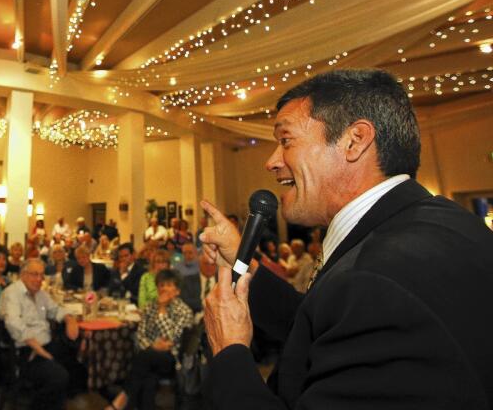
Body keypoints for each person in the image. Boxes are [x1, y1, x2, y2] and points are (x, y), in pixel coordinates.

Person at [199, 69, 493, 409]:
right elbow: (329, 321)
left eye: (286, 140)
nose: (272, 162)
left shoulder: (376, 279)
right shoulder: (444, 221)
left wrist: (229, 353)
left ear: (354, 140)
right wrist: (242, 258)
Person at [0, 258, 82, 410]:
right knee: (59, 376)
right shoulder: (12, 294)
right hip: (25, 352)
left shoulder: (40, 294)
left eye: (41, 275)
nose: (38, 279)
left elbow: (55, 309)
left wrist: (69, 319)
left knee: (77, 363)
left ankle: (57, 402)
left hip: (45, 345)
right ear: (23, 275)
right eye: (34, 274)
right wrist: (38, 349)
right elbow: (13, 324)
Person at [107, 269, 194, 410]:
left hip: (171, 359)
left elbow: (172, 339)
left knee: (144, 358)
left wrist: (162, 310)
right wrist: (152, 346)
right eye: (161, 285)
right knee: (148, 379)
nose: (164, 288)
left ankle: (122, 399)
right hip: (148, 356)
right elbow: (140, 336)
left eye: (168, 285)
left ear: (177, 291)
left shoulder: (184, 311)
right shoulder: (149, 307)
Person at [179, 247, 216, 315]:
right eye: (206, 264)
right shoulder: (188, 280)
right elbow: (184, 300)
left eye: (212, 264)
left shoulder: (222, 282)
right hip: (195, 316)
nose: (209, 267)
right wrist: (205, 304)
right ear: (199, 264)